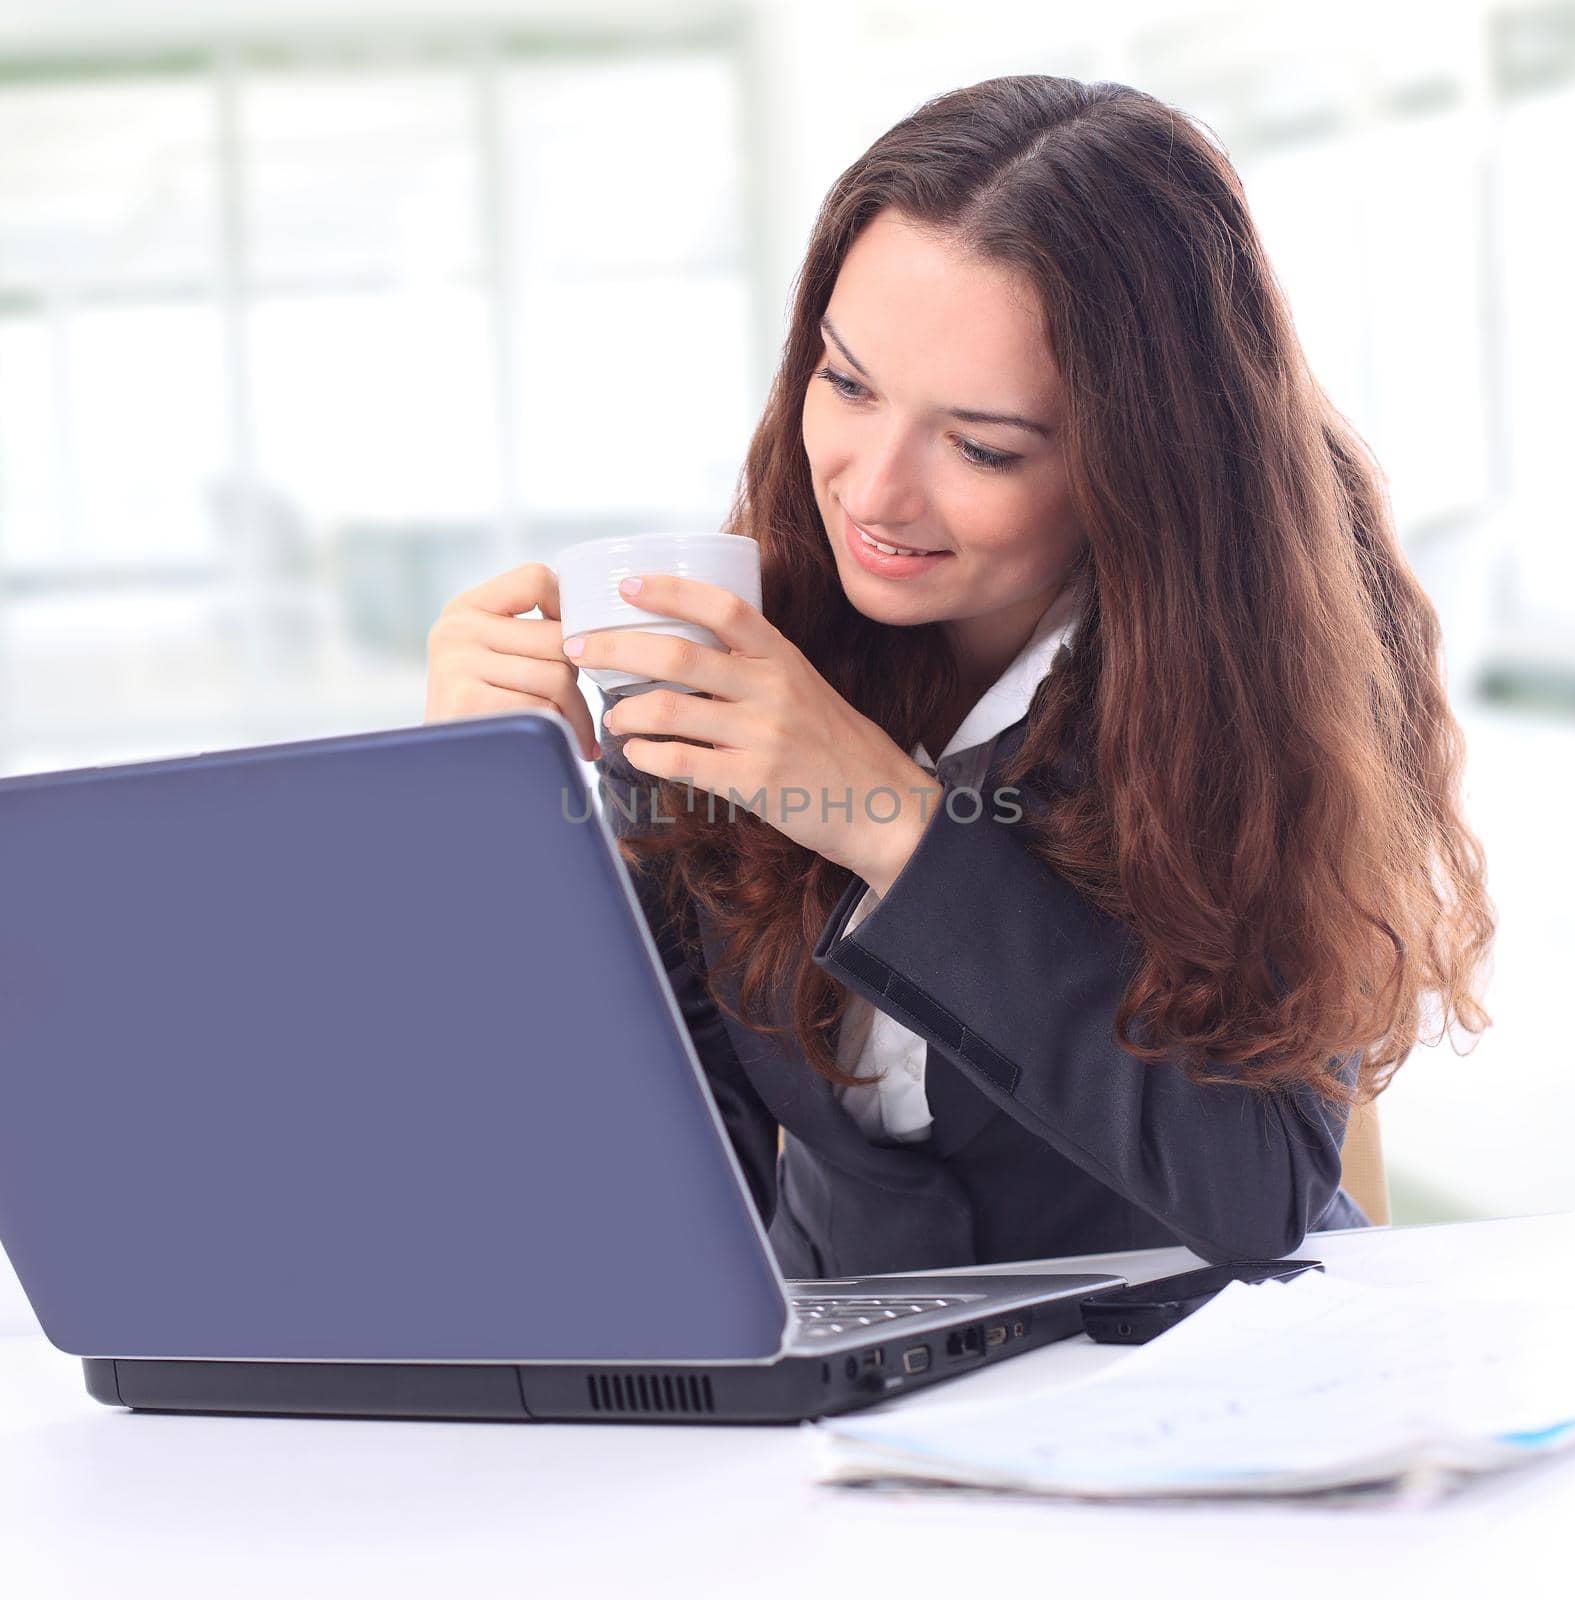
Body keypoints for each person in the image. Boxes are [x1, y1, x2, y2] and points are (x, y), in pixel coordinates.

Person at [424, 75, 1495, 1276]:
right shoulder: (753, 649)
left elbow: (1257, 1192)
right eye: (846, 382)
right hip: (847, 1417)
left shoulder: (1261, 685)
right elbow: (664, 1199)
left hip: (1194, 1389)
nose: (872, 492)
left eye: (981, 445)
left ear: (1147, 464)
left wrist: (886, 822)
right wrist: (511, 841)